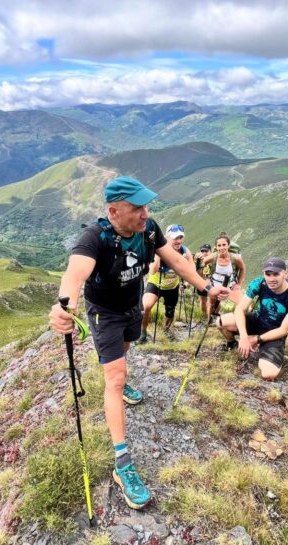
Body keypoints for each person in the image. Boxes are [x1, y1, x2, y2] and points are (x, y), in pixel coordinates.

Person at [49, 176, 230, 510]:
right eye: (137, 208)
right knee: (114, 377)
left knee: (126, 353)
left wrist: (206, 288)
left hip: (132, 308)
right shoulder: (96, 238)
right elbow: (74, 274)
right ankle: (122, 462)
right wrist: (63, 306)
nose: (145, 213)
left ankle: (121, 379)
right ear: (114, 210)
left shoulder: (148, 230)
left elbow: (176, 261)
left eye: (146, 205)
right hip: (105, 313)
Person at [217, 257, 288, 381]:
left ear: (285, 274)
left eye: (276, 274)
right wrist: (243, 337)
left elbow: (284, 330)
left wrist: (256, 339)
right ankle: (233, 344)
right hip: (258, 319)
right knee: (221, 321)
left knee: (268, 374)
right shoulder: (259, 283)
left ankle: (267, 351)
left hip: (275, 330)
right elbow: (240, 309)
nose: (271, 278)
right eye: (268, 274)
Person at [139, 224, 194, 342]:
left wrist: (188, 283)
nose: (178, 241)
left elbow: (191, 269)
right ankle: (142, 333)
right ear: (166, 238)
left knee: (170, 312)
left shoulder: (185, 251)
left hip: (172, 286)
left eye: (180, 238)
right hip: (156, 284)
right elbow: (153, 270)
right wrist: (159, 252)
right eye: (175, 238)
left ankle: (166, 330)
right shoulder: (158, 250)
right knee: (146, 306)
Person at [199, 232, 246, 319]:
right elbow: (203, 264)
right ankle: (209, 321)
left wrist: (239, 284)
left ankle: (240, 322)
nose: (221, 247)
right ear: (216, 247)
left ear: (228, 246)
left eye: (224, 245)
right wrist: (206, 278)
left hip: (231, 286)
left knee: (243, 305)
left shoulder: (235, 258)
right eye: (219, 245)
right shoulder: (213, 257)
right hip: (215, 286)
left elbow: (243, 268)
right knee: (212, 305)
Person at [194, 244, 213, 315]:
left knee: (214, 301)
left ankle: (213, 315)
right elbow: (194, 272)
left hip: (213, 283)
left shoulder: (214, 259)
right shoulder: (198, 261)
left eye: (206, 251)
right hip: (201, 283)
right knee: (203, 300)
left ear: (210, 252)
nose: (204, 253)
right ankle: (205, 316)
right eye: (202, 251)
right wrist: (196, 262)